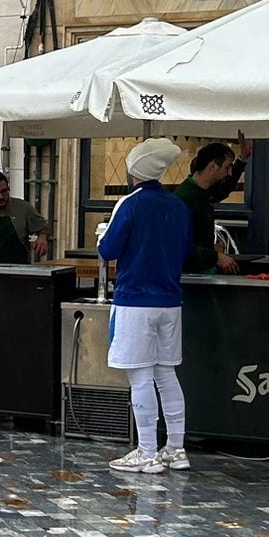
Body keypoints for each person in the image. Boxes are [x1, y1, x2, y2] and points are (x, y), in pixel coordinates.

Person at [98, 139, 192, 474]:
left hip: (135, 300)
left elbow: (108, 249)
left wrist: (100, 236)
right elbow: (184, 251)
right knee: (167, 373)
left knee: (139, 376)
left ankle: (147, 451)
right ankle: (176, 449)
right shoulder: (179, 206)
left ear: (133, 170)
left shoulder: (130, 203)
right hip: (170, 300)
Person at [174, 139, 253, 273]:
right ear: (212, 167)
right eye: (227, 167)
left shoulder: (203, 192)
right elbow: (177, 244)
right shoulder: (184, 198)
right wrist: (215, 257)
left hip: (201, 270)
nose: (229, 173)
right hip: (190, 276)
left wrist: (242, 161)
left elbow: (224, 189)